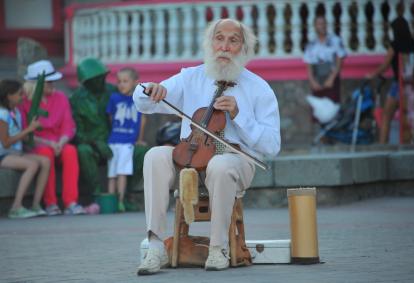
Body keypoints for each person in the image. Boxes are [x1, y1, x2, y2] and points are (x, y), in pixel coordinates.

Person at [133, 18, 281, 274]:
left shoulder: (259, 88)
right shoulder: (190, 77)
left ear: (243, 48)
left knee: (221, 164)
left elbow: (272, 145)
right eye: (219, 38)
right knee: (155, 155)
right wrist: (150, 90)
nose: (224, 46)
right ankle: (155, 246)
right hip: (188, 157)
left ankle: (218, 248)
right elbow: (143, 101)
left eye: (233, 40)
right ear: (210, 44)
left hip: (236, 160)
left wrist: (239, 115)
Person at [70, 58, 147, 199]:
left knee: (143, 152)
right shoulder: (76, 99)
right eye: (96, 79)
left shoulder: (114, 91)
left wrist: (138, 139)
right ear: (86, 82)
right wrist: (96, 143)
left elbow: (138, 116)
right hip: (93, 145)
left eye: (102, 77)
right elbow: (76, 132)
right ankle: (98, 195)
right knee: (83, 151)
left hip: (117, 140)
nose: (101, 81)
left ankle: (124, 195)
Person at [20, 60, 85, 216]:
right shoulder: (24, 102)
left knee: (70, 151)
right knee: (45, 154)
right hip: (37, 144)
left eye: (53, 81)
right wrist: (49, 143)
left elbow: (68, 126)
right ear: (37, 84)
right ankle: (50, 203)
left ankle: (71, 202)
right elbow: (25, 131)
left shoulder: (61, 98)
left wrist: (61, 143)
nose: (53, 85)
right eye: (49, 82)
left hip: (60, 142)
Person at [366, 14, 414, 144]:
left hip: (399, 84)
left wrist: (372, 75)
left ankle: (383, 144)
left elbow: (385, 66)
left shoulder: (394, 45)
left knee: (386, 116)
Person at [0, 79, 50, 218]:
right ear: (9, 96)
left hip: (15, 152)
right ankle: (16, 207)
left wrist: (35, 135)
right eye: (20, 94)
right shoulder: (2, 114)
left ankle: (35, 205)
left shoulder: (15, 111)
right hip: (3, 154)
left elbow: (21, 135)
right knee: (32, 165)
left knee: (45, 161)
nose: (23, 97)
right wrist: (28, 130)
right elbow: (5, 142)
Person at [106, 67, 147, 212]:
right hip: (113, 141)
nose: (121, 84)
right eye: (119, 81)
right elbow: (111, 117)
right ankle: (111, 200)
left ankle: (121, 200)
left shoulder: (138, 100)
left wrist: (139, 139)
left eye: (125, 81)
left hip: (127, 143)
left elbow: (142, 120)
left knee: (122, 172)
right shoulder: (114, 98)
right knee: (112, 173)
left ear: (135, 82)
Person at [304, 14, 347, 103]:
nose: (322, 26)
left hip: (331, 77)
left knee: (332, 106)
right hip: (317, 78)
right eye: (319, 24)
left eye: (324, 23)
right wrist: (312, 81)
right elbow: (309, 66)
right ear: (315, 26)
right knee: (317, 108)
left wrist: (331, 78)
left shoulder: (335, 40)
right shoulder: (311, 45)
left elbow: (339, 61)